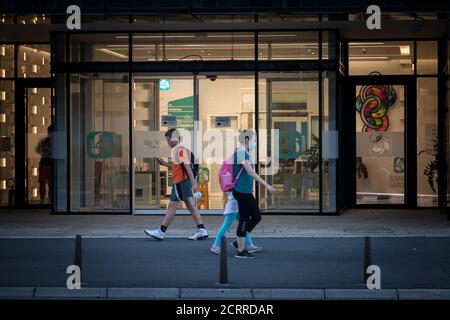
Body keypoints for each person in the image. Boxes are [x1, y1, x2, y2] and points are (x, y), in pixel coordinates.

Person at [145, 128, 208, 241]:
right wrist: (164, 164)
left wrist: (194, 186)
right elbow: (177, 166)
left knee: (172, 205)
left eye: (168, 139)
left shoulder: (180, 150)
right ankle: (201, 229)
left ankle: (161, 231)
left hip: (181, 182)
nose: (168, 142)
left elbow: (187, 167)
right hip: (182, 181)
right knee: (190, 206)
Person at [232, 130, 275, 258]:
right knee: (244, 219)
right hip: (242, 192)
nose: (254, 142)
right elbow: (250, 172)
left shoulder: (243, 153)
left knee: (256, 216)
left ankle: (239, 240)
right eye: (252, 139)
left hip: (245, 192)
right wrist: (266, 185)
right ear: (246, 140)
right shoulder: (240, 154)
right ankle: (240, 251)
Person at [36, 125, 53, 204]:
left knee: (51, 184)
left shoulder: (56, 141)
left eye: (51, 132)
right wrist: (44, 150)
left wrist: (49, 151)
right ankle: (42, 200)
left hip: (51, 165)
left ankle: (50, 201)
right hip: (43, 164)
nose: (49, 133)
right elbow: (38, 150)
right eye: (49, 132)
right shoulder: (44, 141)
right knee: (42, 183)